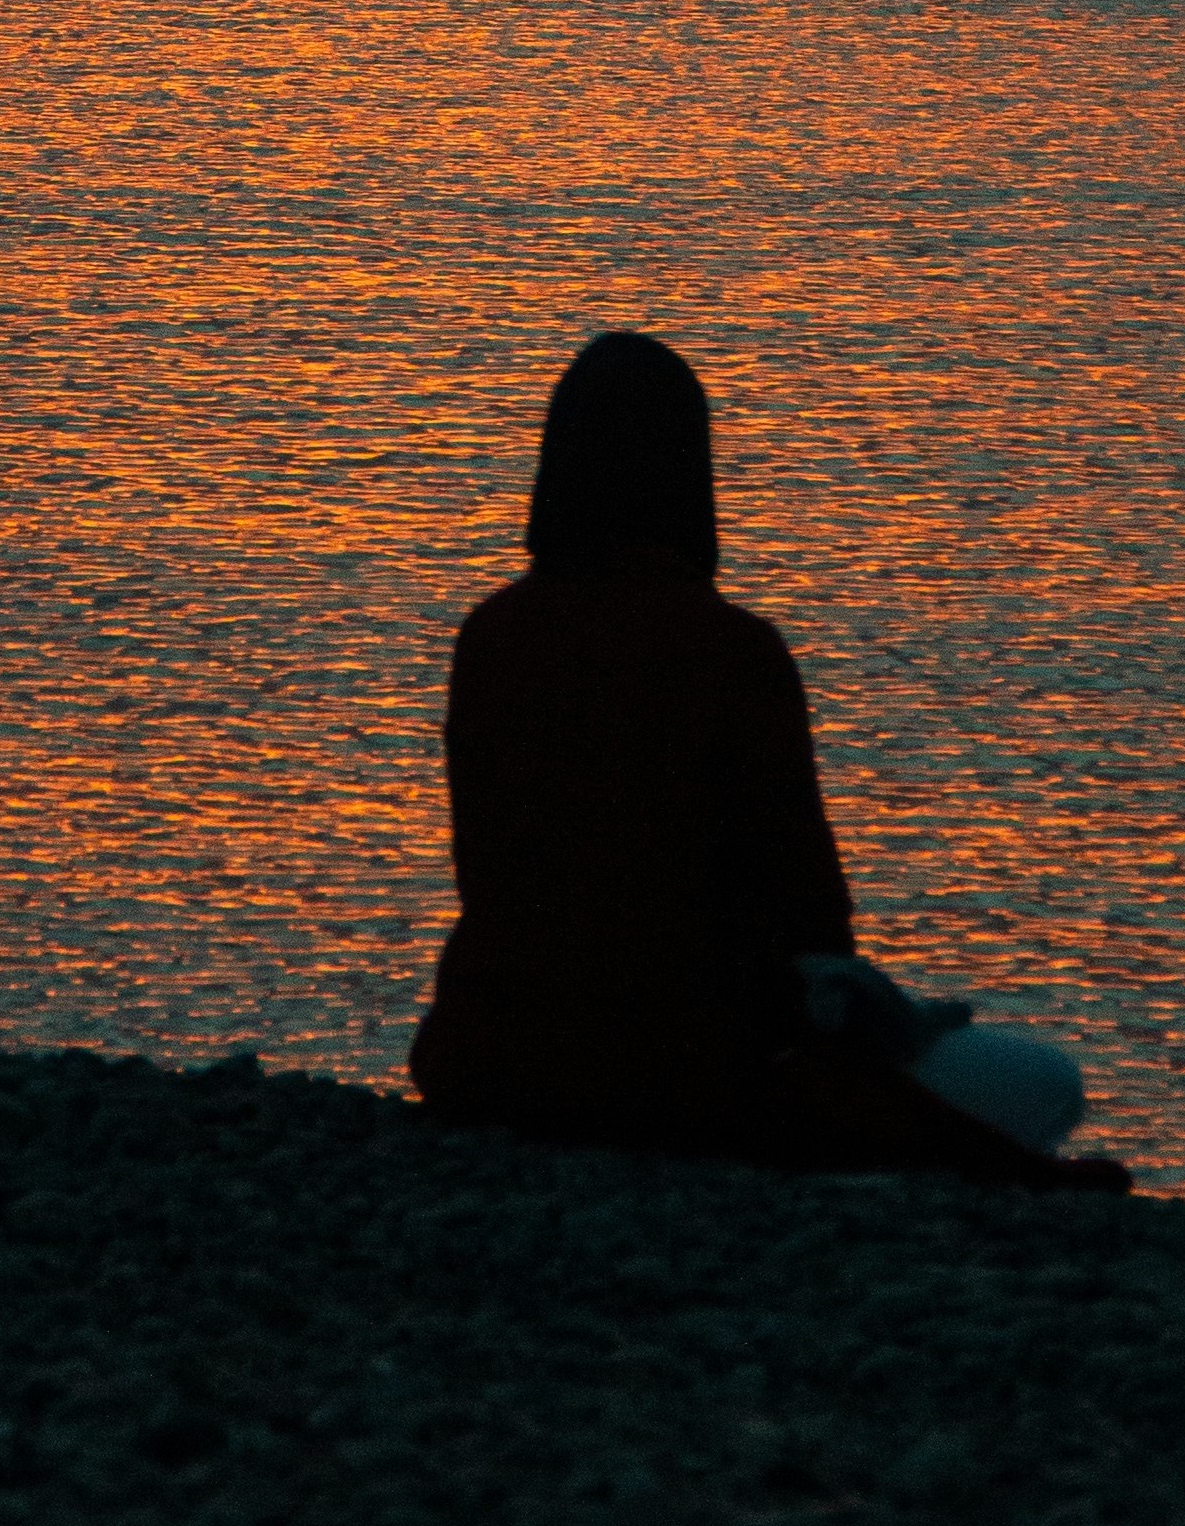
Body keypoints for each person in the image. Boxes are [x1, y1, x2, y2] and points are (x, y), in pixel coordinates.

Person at [408, 331, 1127, 1191]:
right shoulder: (735, 654)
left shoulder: (489, 639)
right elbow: (809, 917)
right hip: (692, 1078)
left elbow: (492, 875)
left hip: (494, 1059)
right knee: (1046, 1084)